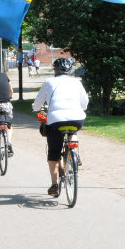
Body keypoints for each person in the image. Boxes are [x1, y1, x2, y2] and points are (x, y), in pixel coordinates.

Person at [32, 58, 89, 196]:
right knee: (73, 128)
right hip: (77, 118)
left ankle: (54, 184)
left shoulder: (49, 82)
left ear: (55, 70)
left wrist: (36, 109)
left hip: (56, 120)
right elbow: (85, 102)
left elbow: (38, 103)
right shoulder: (77, 82)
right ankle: (74, 150)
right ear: (69, 70)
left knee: (53, 153)